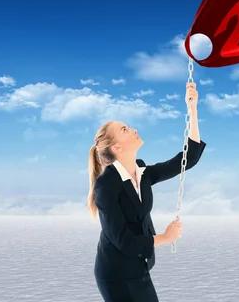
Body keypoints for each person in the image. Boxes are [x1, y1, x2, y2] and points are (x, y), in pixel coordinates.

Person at [87, 82, 206, 302]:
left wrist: (192, 109)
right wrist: (164, 238)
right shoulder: (106, 185)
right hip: (116, 275)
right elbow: (124, 241)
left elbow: (186, 160)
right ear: (117, 148)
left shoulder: (142, 172)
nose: (133, 130)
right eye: (124, 130)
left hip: (138, 268)